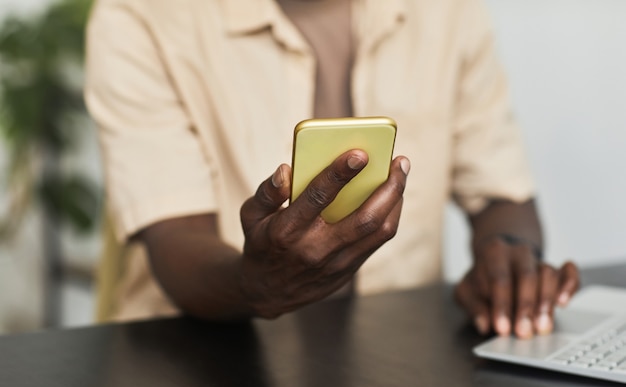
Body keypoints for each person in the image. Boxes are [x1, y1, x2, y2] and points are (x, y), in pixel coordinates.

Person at [85, 0, 579, 339]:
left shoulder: (446, 10)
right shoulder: (138, 16)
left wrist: (510, 259)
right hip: (199, 363)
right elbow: (174, 241)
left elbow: (502, 195)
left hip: (396, 362)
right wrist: (253, 282)